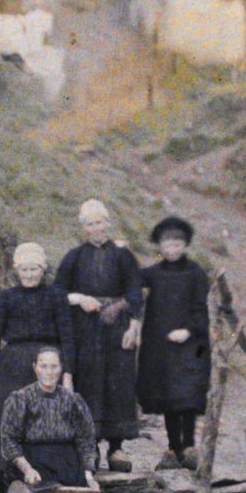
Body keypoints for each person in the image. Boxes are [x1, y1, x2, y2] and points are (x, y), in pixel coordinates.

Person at [54, 200, 143, 471]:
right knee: (88, 382)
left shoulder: (123, 255)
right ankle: (89, 447)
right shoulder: (74, 257)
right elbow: (57, 292)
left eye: (100, 222)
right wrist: (80, 299)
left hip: (118, 329)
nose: (96, 228)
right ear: (84, 228)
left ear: (107, 223)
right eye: (90, 224)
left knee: (120, 381)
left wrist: (133, 324)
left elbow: (135, 290)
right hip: (85, 330)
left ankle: (117, 449)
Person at [135, 215, 212, 471]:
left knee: (186, 396)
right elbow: (131, 277)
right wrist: (122, 252)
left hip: (190, 345)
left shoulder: (196, 273)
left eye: (177, 244)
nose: (172, 249)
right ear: (160, 246)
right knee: (168, 396)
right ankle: (172, 446)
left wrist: (188, 331)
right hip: (160, 346)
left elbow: (201, 311)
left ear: (185, 245)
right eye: (167, 244)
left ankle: (189, 446)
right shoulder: (154, 273)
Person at [0, 242, 77, 436]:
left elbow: (67, 336)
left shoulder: (56, 296)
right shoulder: (6, 297)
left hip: (48, 361)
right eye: (24, 269)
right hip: (13, 363)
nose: (29, 274)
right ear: (17, 270)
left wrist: (68, 373)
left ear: (42, 270)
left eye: (34, 269)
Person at [0, 348, 98, 489]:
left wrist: (88, 475)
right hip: (33, 461)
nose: (49, 372)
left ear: (61, 368)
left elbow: (86, 438)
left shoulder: (73, 400)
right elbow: (9, 439)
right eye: (43, 366)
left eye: (54, 366)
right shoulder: (21, 398)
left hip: (66, 463)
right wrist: (27, 469)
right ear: (35, 368)